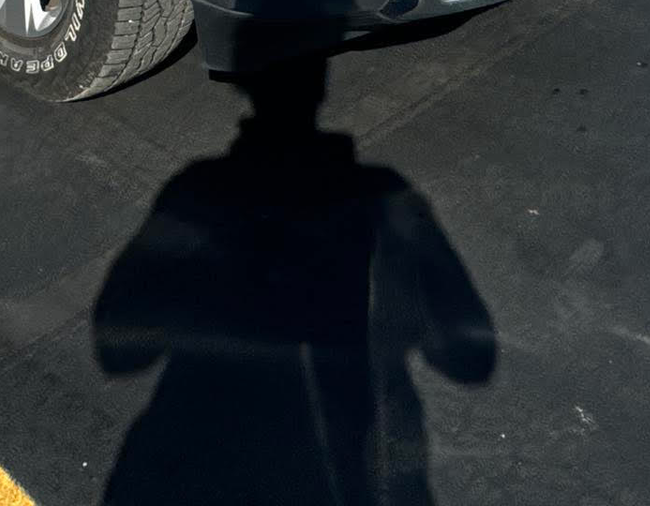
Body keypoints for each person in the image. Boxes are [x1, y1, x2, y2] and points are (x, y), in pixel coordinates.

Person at [93, 56, 496, 504]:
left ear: (243, 89)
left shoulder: (196, 192)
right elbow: (469, 360)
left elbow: (119, 350)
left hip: (199, 461)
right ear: (322, 89)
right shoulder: (386, 195)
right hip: (344, 468)